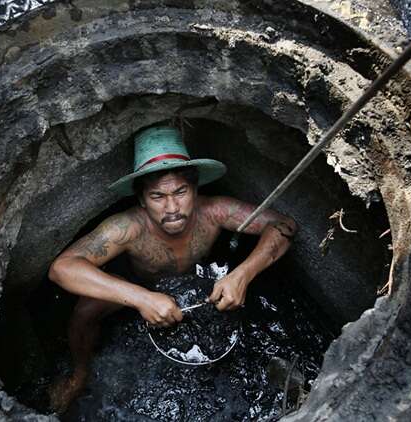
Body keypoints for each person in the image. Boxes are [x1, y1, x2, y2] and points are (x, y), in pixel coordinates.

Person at [47, 125, 297, 413]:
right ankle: (80, 373)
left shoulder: (215, 212)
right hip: (138, 284)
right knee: (85, 311)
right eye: (157, 196)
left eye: (181, 191)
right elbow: (63, 267)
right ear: (141, 200)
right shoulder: (127, 227)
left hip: (196, 282)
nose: (172, 207)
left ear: (195, 189)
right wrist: (142, 298)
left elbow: (283, 225)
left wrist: (242, 275)